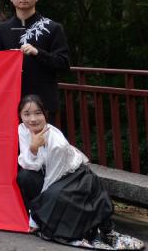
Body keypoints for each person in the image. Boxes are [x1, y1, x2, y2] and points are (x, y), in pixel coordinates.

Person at [17, 95, 143, 249]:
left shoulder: (57, 143)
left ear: (45, 114)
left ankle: (91, 231)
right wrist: (33, 148)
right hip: (50, 173)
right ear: (20, 116)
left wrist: (35, 217)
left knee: (55, 194)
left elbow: (52, 178)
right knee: (24, 176)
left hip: (73, 175)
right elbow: (29, 165)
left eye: (38, 113)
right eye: (26, 114)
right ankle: (43, 221)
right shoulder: (23, 129)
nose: (32, 119)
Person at [0, 0, 70, 115]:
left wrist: (38, 52)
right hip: (11, 102)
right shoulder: (1, 29)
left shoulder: (52, 27)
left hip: (44, 101)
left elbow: (63, 64)